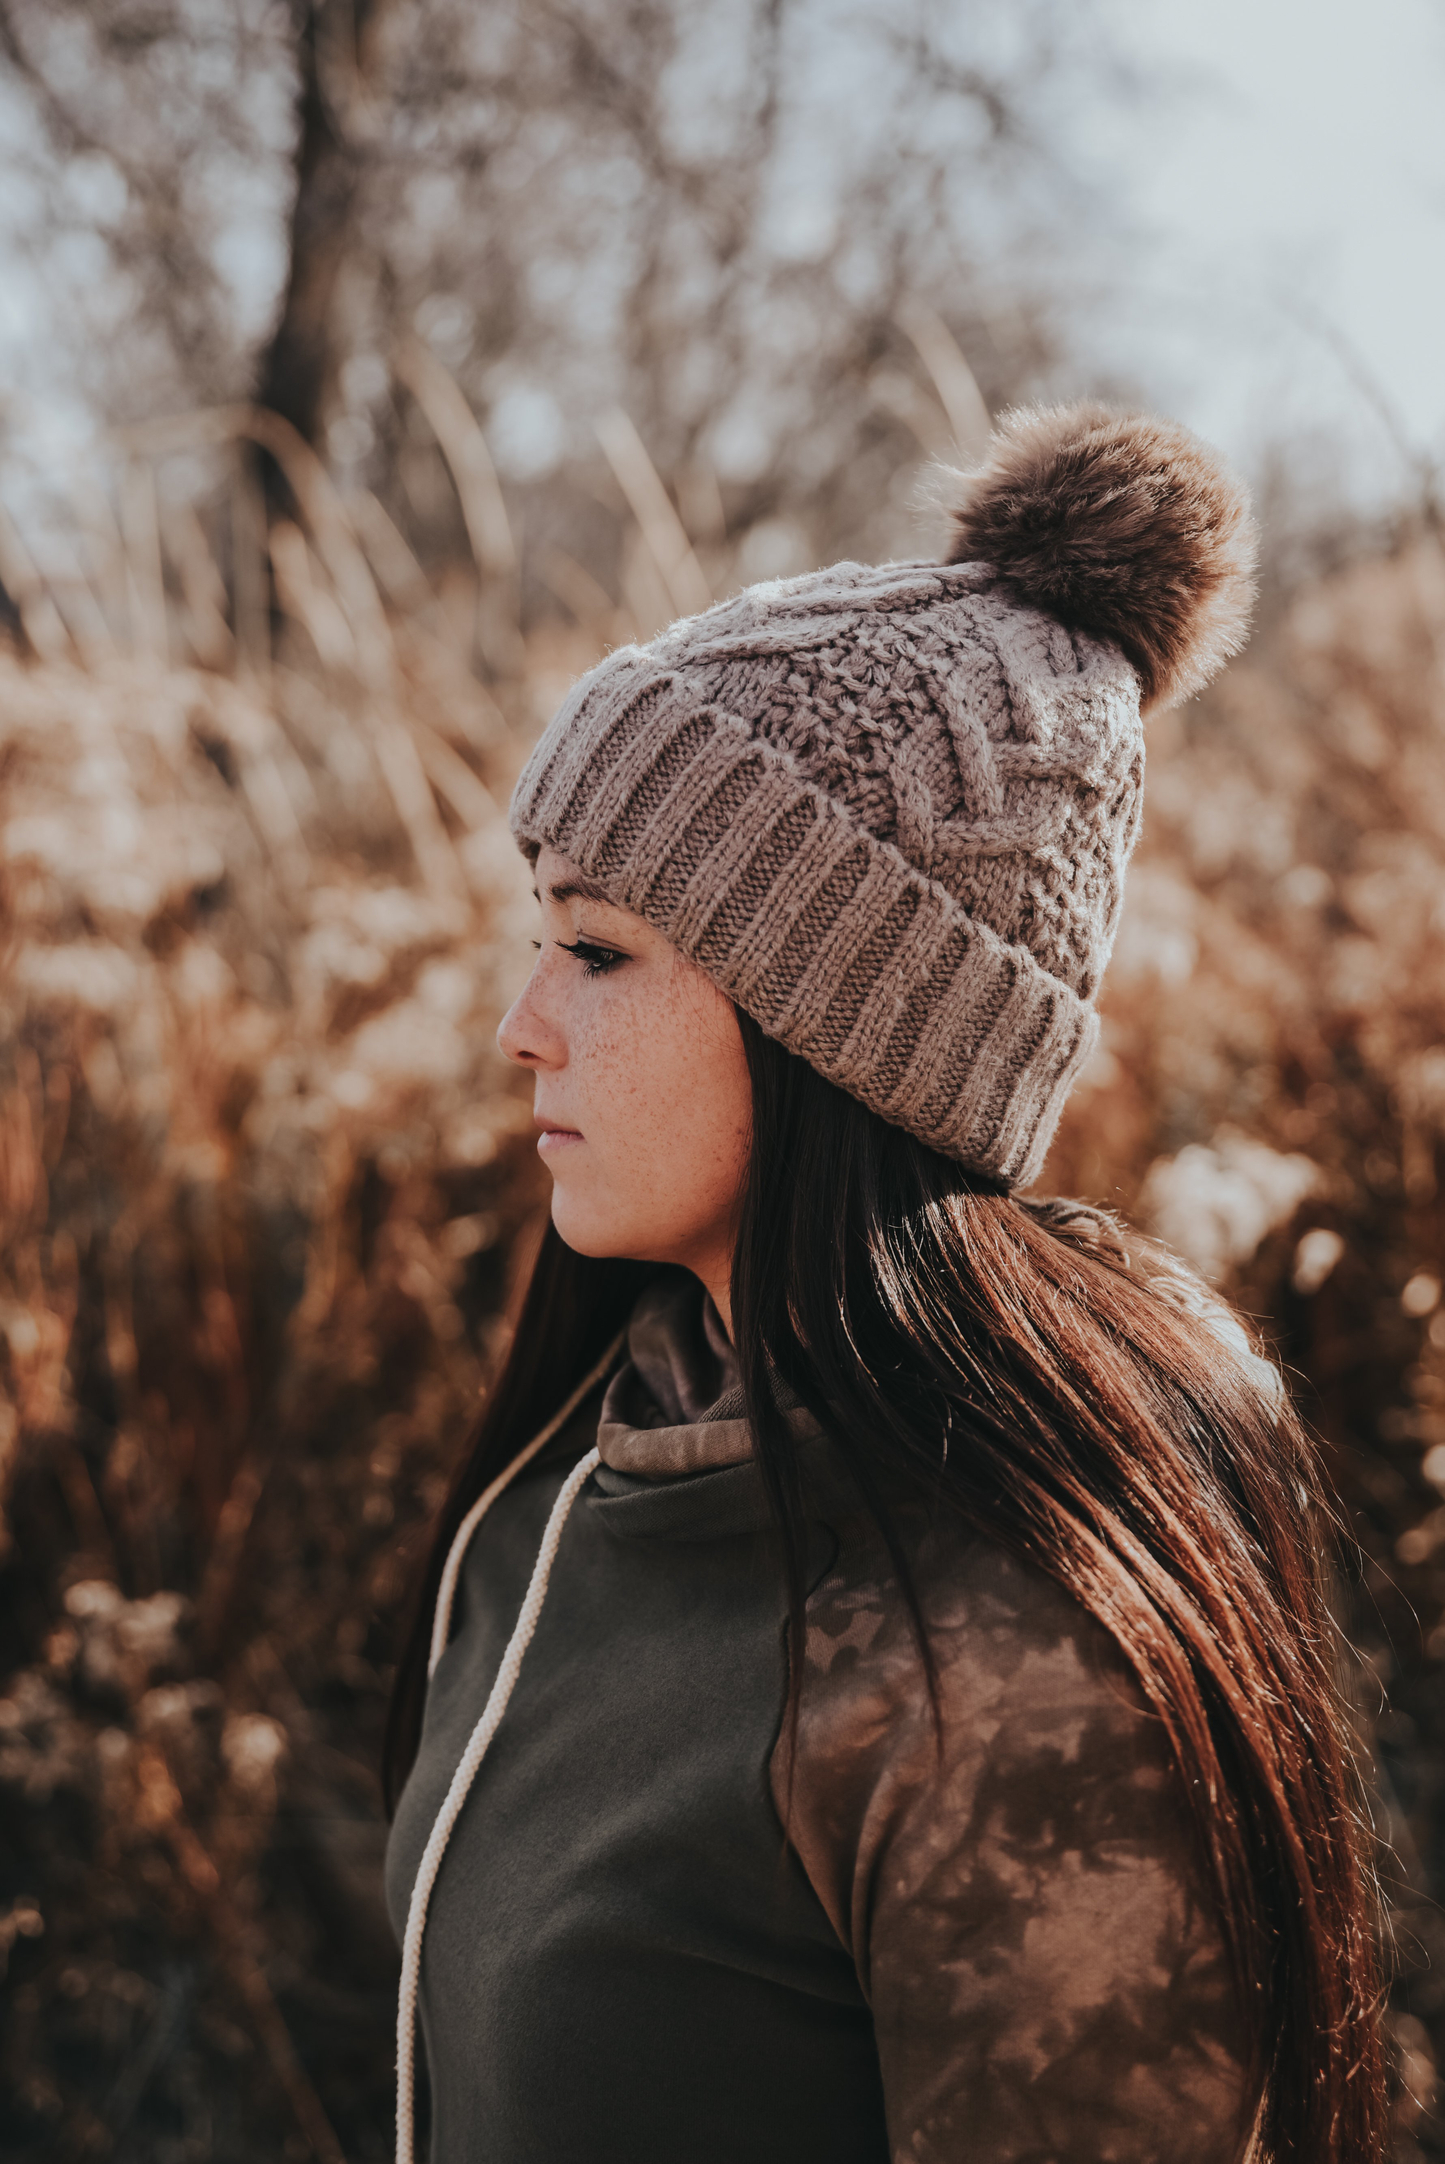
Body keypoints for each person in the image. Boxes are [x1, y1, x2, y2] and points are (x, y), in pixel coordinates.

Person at [383, 404, 1385, 2163]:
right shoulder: (575, 1486)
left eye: (596, 950)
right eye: (538, 935)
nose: (519, 1023)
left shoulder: (1015, 1672)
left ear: (847, 1031)